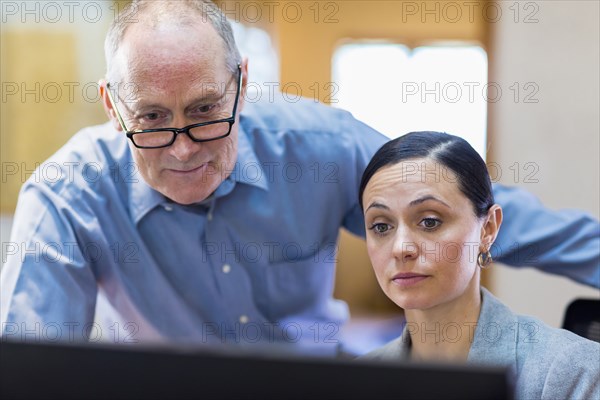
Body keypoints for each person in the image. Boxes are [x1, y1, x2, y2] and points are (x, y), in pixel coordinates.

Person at [1, 0, 598, 356]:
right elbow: (29, 365)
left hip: (318, 383)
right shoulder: (66, 194)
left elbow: (468, 208)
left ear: (242, 80)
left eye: (206, 111)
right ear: (111, 105)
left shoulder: (322, 146)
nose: (183, 149)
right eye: (153, 119)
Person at [359, 131, 600, 398]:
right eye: (381, 226)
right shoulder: (357, 380)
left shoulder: (571, 372)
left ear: (488, 228)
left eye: (430, 221)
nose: (401, 248)